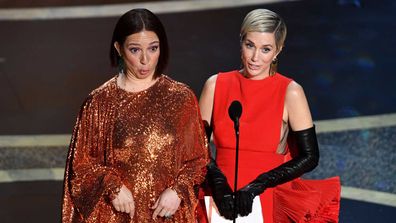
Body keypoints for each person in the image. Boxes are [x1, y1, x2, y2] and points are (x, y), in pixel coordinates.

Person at [62, 8, 208, 223]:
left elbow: (198, 160)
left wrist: (178, 191)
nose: (145, 60)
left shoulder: (181, 98)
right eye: (135, 50)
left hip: (168, 216)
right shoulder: (100, 102)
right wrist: (112, 186)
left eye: (153, 48)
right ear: (119, 49)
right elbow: (80, 167)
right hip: (116, 216)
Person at [199, 9, 340, 222]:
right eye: (250, 46)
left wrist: (260, 184)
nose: (255, 57)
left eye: (265, 49)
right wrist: (218, 183)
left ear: (278, 50)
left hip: (268, 197)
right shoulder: (215, 85)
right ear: (241, 41)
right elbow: (195, 148)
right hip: (220, 201)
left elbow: (310, 156)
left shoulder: (291, 92)